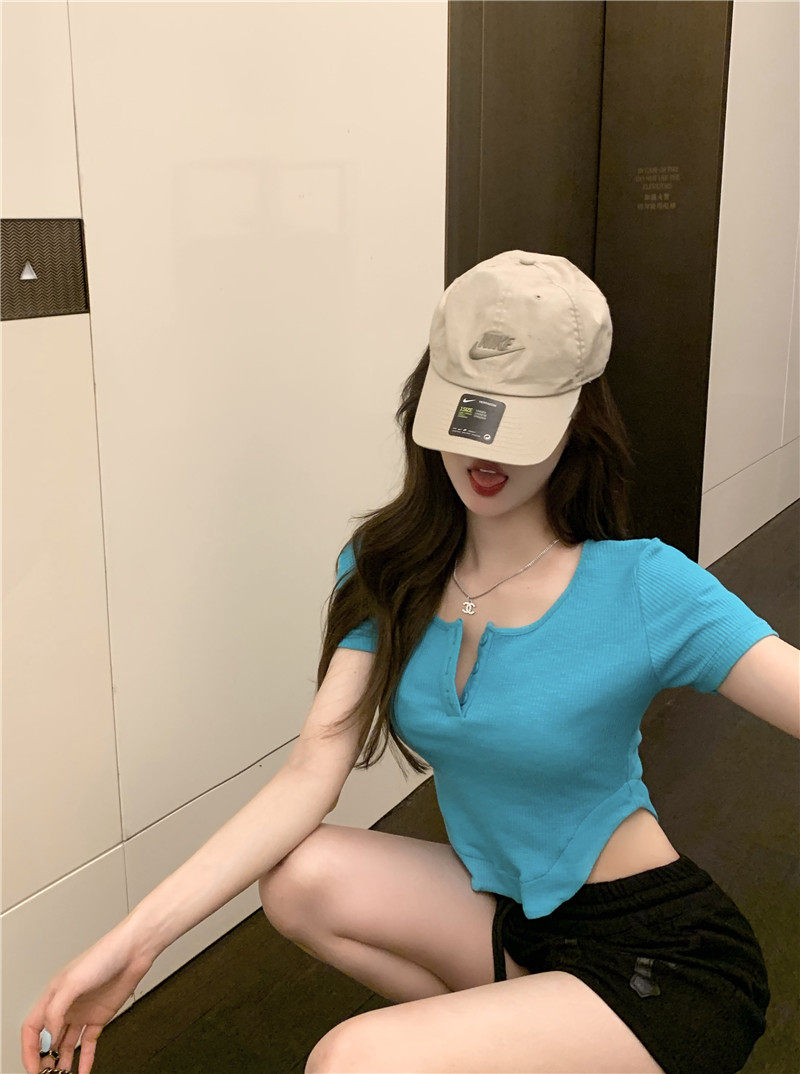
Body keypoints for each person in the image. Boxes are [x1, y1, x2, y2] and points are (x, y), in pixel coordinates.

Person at [23, 251, 799, 1074]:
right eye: (470, 412)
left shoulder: (643, 584)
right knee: (298, 877)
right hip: (509, 919)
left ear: (577, 419)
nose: (484, 454)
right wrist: (133, 947)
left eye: (518, 422)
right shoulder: (387, 567)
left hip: (657, 957)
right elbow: (310, 773)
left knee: (354, 1059)